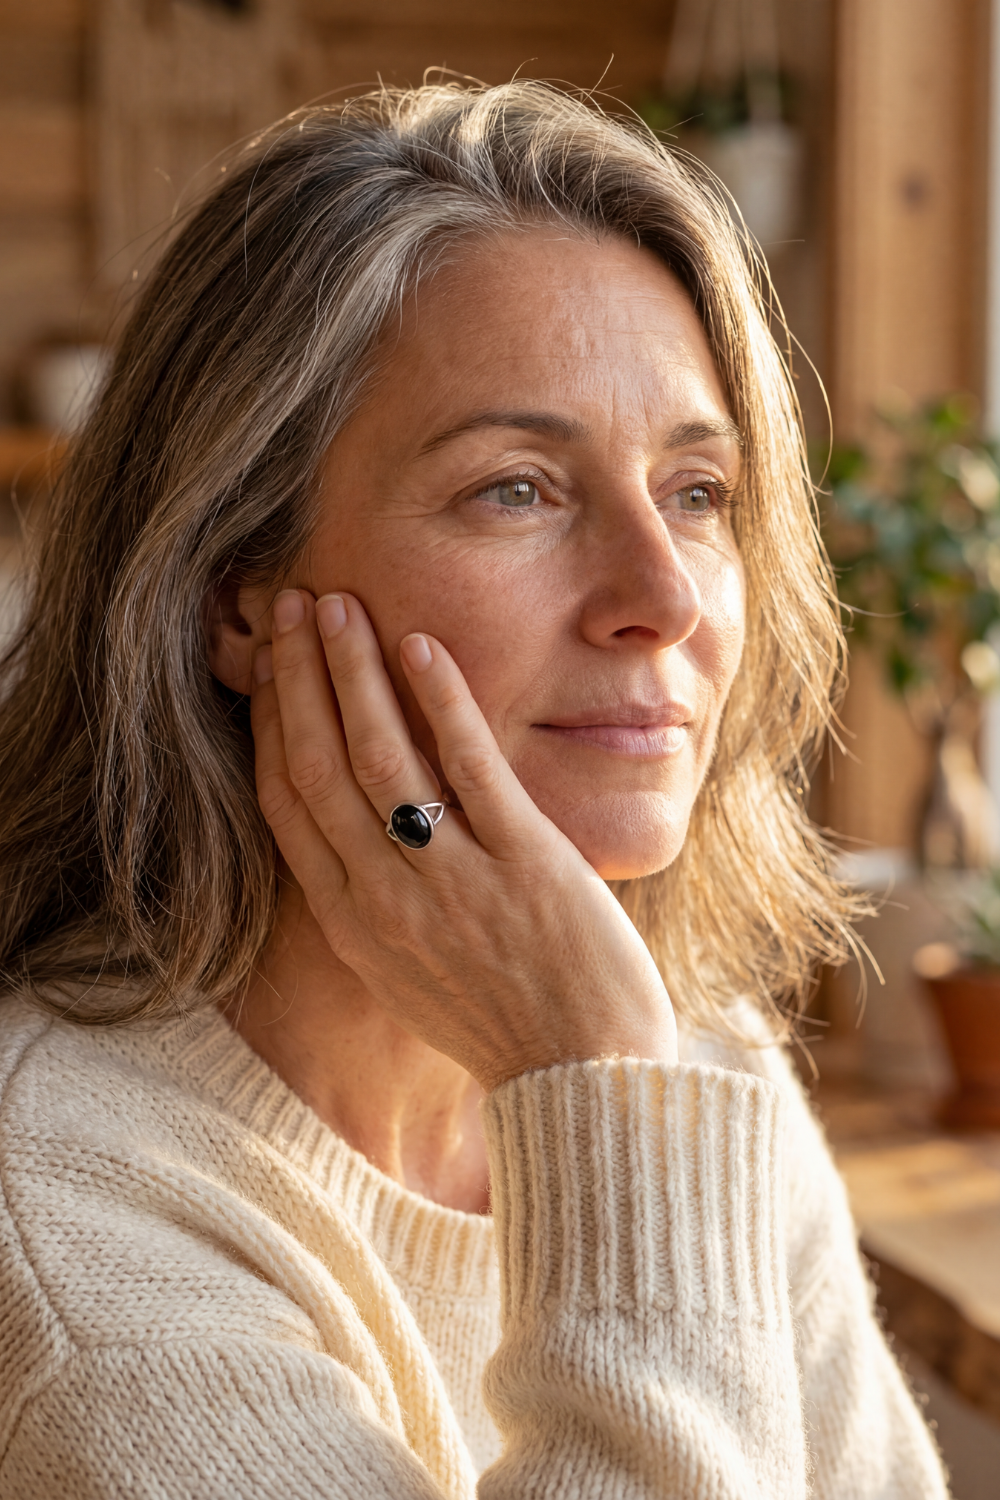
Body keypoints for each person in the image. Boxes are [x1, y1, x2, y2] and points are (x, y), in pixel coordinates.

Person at [0, 82, 949, 1498]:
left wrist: (613, 1071)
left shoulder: (691, 1050)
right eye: (518, 488)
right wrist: (599, 1090)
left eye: (698, 493)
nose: (665, 598)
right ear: (235, 598)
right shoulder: (62, 1216)